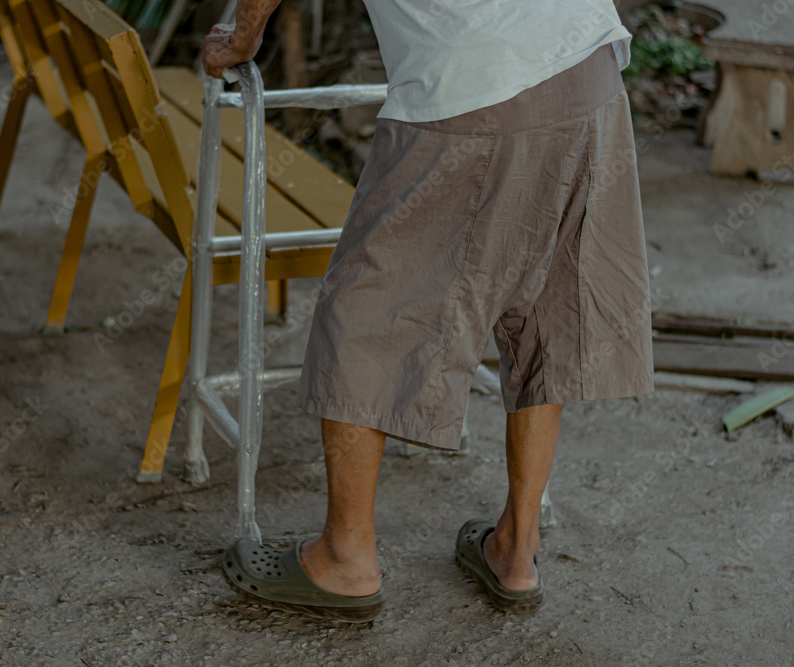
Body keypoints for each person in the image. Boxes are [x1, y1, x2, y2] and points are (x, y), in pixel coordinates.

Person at [204, 0, 654, 621]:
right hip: (588, 67)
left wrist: (244, 35)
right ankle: (516, 552)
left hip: (473, 81)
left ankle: (344, 558)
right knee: (541, 303)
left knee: (366, 308)